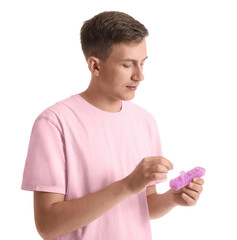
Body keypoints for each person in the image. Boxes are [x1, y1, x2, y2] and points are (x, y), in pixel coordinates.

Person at [21, 11, 204, 240]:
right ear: (95, 66)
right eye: (128, 65)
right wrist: (128, 185)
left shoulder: (145, 121)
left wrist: (172, 199)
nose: (140, 76)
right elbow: (48, 226)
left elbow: (143, 205)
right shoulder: (54, 123)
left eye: (142, 63)